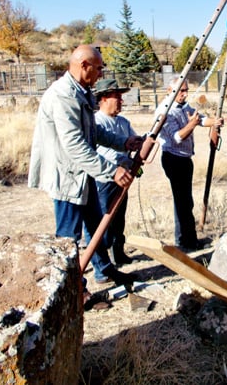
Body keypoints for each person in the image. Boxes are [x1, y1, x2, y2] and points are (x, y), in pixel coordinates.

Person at [28, 45, 143, 285]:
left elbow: (94, 132)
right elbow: (74, 144)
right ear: (84, 65)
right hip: (67, 177)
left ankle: (104, 270)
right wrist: (112, 170)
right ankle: (70, 289)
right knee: (68, 239)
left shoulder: (80, 91)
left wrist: (124, 142)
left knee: (95, 224)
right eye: (98, 68)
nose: (100, 74)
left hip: (83, 173)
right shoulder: (63, 96)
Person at [158, 78, 223, 251]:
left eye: (186, 90)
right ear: (169, 90)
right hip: (173, 158)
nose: (184, 94)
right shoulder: (165, 111)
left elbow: (200, 119)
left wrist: (214, 122)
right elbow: (177, 137)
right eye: (181, 91)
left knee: (186, 201)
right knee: (182, 202)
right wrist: (192, 124)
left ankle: (189, 239)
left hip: (185, 159)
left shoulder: (183, 106)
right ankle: (184, 242)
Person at [93, 78, 137, 265]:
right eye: (116, 97)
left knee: (119, 218)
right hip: (105, 178)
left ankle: (118, 252)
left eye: (121, 97)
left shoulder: (123, 122)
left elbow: (132, 141)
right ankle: (104, 260)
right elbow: (104, 152)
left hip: (123, 176)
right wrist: (124, 160)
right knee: (105, 219)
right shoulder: (96, 122)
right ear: (103, 98)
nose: (121, 101)